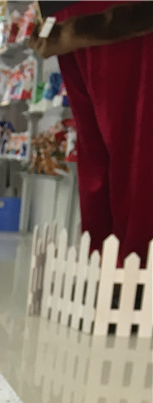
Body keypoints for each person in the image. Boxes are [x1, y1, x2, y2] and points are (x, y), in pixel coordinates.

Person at [31, 1, 153, 262]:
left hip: (68, 15)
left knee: (100, 154)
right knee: (133, 150)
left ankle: (107, 264)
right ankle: (130, 266)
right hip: (127, 13)